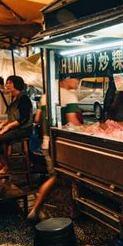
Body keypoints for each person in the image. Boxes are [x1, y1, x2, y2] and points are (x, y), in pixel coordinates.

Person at [27, 78, 82, 221]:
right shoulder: (69, 96)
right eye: (77, 79)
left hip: (47, 142)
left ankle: (72, 210)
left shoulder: (45, 96)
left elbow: (38, 118)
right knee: (57, 176)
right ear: (67, 79)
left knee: (67, 177)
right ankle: (35, 208)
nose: (78, 83)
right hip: (63, 145)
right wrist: (86, 129)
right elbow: (72, 121)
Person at [0, 76, 33, 176]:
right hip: (15, 128)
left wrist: (6, 128)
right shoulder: (13, 98)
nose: (7, 85)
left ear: (17, 84)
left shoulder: (23, 98)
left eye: (10, 83)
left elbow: (23, 119)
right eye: (6, 83)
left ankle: (5, 167)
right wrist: (2, 125)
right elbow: (12, 117)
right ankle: (1, 163)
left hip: (24, 129)